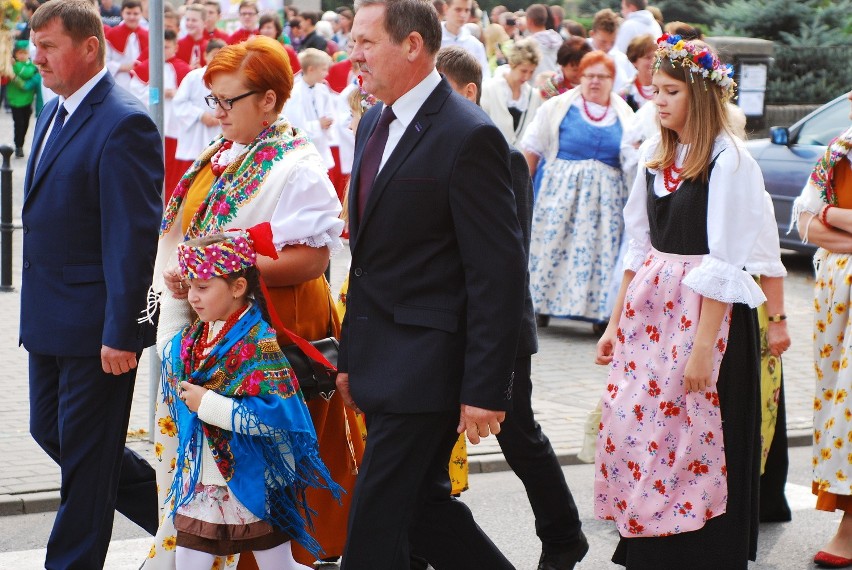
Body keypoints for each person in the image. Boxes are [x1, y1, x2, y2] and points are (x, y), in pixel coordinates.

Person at [145, 35, 361, 569]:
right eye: (211, 99)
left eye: (226, 101)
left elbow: (311, 260)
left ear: (268, 99)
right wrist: (192, 277)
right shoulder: (222, 153)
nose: (215, 113)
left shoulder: (297, 165)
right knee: (208, 468)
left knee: (260, 477)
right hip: (212, 329)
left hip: (267, 340)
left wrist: (214, 270)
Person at [336, 0, 526, 567]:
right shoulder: (373, 120)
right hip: (379, 356)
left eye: (366, 42)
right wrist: (351, 357)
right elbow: (370, 259)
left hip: (430, 366)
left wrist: (487, 387)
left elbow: (497, 272)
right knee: (423, 511)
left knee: (372, 523)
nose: (354, 54)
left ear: (413, 45)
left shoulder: (469, 135)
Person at [594, 36, 764, 569]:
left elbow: (726, 260)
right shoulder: (657, 155)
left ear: (699, 93)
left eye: (670, 91)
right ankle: (652, 544)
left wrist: (701, 350)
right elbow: (637, 245)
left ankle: (700, 551)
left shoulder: (728, 161)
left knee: (694, 431)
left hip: (703, 317)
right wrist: (614, 320)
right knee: (641, 425)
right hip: (652, 312)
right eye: (654, 91)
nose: (658, 101)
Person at [436, 44, 589, 570]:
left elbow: (504, 260)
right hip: (447, 326)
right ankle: (416, 544)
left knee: (519, 432)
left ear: (470, 92)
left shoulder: (492, 151)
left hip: (497, 328)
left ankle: (565, 534)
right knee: (430, 441)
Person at [22, 1, 162, 567]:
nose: (37, 59)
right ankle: (190, 518)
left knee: (84, 457)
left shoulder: (123, 120)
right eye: (35, 46)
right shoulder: (54, 109)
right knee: (53, 435)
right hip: (49, 318)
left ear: (89, 47)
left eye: (49, 46)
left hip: (98, 328)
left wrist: (123, 331)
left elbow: (132, 238)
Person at [160, 230, 340, 569]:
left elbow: (277, 416)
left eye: (202, 288)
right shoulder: (199, 336)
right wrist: (173, 295)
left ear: (238, 287)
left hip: (255, 481)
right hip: (204, 484)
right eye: (190, 288)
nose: (193, 298)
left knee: (277, 568)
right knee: (187, 563)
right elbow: (167, 349)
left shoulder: (261, 344)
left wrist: (209, 405)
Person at [521, 51, 634, 330]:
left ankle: (599, 314)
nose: (595, 82)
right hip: (561, 195)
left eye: (602, 77)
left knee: (600, 256)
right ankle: (540, 306)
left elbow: (633, 158)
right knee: (552, 248)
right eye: (589, 76)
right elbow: (532, 149)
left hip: (606, 202)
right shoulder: (557, 107)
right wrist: (521, 191)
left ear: (612, 80)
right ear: (580, 78)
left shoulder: (625, 114)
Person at [793, 91, 852, 568]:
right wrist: (833, 218)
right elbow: (805, 223)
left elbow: (819, 218)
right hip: (837, 302)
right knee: (837, 400)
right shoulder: (839, 151)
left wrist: (833, 216)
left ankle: (849, 528)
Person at [129, 29, 191, 201]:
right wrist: (159, 93)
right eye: (159, 47)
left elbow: (189, 96)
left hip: (174, 127)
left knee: (171, 168)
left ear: (175, 47)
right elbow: (135, 92)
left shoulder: (183, 68)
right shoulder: (146, 66)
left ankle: (170, 198)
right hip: (153, 123)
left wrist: (176, 93)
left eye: (167, 47)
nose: (163, 51)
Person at [284, 48, 343, 202]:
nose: (326, 74)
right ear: (311, 69)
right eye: (323, 70)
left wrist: (328, 121)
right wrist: (318, 125)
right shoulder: (295, 93)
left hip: (321, 144)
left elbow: (330, 110)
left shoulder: (321, 89)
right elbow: (295, 125)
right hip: (306, 148)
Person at [171, 38, 225, 197]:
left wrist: (220, 115)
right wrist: (200, 115)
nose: (217, 60)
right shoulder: (194, 77)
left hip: (219, 132)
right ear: (206, 55)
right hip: (195, 135)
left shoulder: (230, 78)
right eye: (214, 55)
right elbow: (179, 102)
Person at [480, 38, 543, 146]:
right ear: (511, 64)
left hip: (522, 160)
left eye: (531, 72)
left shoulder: (534, 96)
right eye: (523, 71)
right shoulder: (488, 89)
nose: (527, 76)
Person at [105, 0, 149, 90]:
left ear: (141, 14)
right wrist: (122, 67)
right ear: (122, 13)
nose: (132, 17)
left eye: (136, 14)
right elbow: (104, 62)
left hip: (142, 86)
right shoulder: (111, 35)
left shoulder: (148, 35)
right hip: (118, 83)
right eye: (128, 13)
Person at [440, 0, 489, 79]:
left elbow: (485, 76)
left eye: (467, 10)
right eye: (458, 10)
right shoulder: (432, 39)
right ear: (446, 9)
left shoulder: (475, 44)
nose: (463, 15)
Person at [8, 40, 40, 158]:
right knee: (19, 124)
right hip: (15, 101)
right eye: (19, 53)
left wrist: (15, 72)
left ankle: (20, 144)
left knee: (26, 124)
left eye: (24, 53)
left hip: (28, 101)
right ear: (16, 54)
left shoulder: (32, 67)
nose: (22, 55)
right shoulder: (11, 65)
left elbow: (26, 77)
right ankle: (18, 146)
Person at [524, 4, 562, 81]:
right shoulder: (558, 38)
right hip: (555, 84)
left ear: (529, 21)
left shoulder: (528, 44)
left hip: (536, 86)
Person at [621, 33, 655, 111]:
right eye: (648, 57)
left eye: (656, 56)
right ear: (634, 61)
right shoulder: (627, 92)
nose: (654, 61)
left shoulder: (667, 89)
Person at [177, 4, 208, 69]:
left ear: (204, 23)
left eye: (194, 20)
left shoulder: (209, 47)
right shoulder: (177, 46)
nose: (190, 23)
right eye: (187, 20)